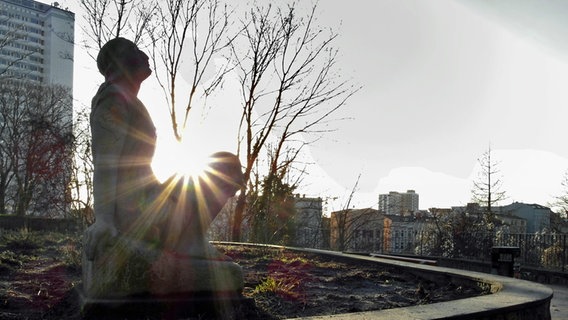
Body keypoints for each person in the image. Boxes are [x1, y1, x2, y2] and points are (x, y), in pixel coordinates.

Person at [85, 37, 242, 261]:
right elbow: (106, 163)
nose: (144, 55)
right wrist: (104, 220)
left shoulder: (127, 99)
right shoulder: (114, 98)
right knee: (225, 165)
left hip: (146, 204)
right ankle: (188, 242)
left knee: (223, 165)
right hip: (133, 213)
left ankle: (189, 239)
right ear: (116, 64)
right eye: (134, 50)